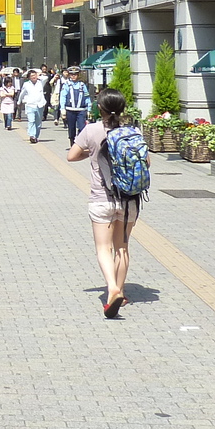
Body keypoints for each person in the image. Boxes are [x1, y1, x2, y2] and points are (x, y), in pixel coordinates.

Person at [67, 89, 143, 318]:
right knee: (122, 247)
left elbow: (71, 156)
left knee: (103, 248)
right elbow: (146, 160)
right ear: (122, 108)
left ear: (100, 109)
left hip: (102, 198)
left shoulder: (91, 130)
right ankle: (122, 292)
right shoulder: (134, 131)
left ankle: (112, 289)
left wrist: (90, 154)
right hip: (129, 199)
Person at [59, 67, 91, 145]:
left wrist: (89, 109)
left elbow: (87, 97)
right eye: (72, 74)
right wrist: (62, 109)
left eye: (75, 74)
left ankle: (79, 143)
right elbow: (63, 96)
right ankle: (72, 141)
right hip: (70, 110)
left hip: (81, 110)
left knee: (82, 127)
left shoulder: (82, 85)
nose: (73, 76)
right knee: (71, 128)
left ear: (78, 75)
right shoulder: (66, 84)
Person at [20, 69, 47, 143]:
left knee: (38, 123)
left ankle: (36, 136)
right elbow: (22, 93)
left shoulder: (40, 82)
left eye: (34, 75)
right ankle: (32, 135)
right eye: (31, 76)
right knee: (31, 121)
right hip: (30, 105)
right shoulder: (26, 84)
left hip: (39, 105)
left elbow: (46, 78)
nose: (33, 77)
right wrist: (19, 101)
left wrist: (39, 75)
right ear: (29, 77)